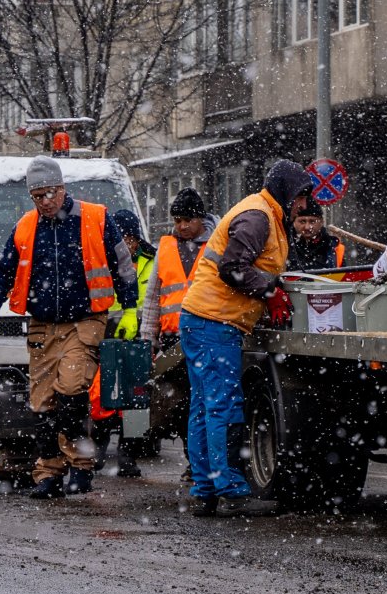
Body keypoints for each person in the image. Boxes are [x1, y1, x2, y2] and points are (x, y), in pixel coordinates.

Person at [0, 156, 139, 499]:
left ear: (63, 189)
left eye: (49, 193)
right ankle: (49, 472)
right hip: (43, 325)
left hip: (85, 320)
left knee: (72, 390)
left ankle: (80, 465)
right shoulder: (25, 227)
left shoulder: (96, 218)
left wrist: (130, 308)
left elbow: (122, 264)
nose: (45, 202)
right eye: (37, 196)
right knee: (42, 403)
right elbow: (3, 271)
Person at [178, 159, 311, 518]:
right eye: (301, 197)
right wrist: (270, 292)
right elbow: (233, 268)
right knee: (222, 405)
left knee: (205, 407)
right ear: (287, 192)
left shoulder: (262, 213)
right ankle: (229, 487)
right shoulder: (258, 217)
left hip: (201, 320)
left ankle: (205, 489)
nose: (303, 206)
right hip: (214, 323)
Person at [90, 208, 155, 478]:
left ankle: (129, 454)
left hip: (139, 338)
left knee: (136, 400)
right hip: (107, 336)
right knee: (102, 396)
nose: (126, 244)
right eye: (121, 238)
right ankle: (99, 448)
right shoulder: (101, 261)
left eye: (129, 238)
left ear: (137, 239)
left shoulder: (152, 261)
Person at [140, 188, 217, 353]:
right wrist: (148, 339)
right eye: (177, 220)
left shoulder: (216, 245)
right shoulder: (166, 247)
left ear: (200, 218)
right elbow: (152, 297)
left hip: (207, 334)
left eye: (188, 220)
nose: (182, 226)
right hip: (171, 337)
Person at [285, 201, 344, 273]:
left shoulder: (335, 248)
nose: (307, 227)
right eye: (302, 221)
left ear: (321, 222)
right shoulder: (284, 246)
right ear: (294, 222)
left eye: (312, 221)